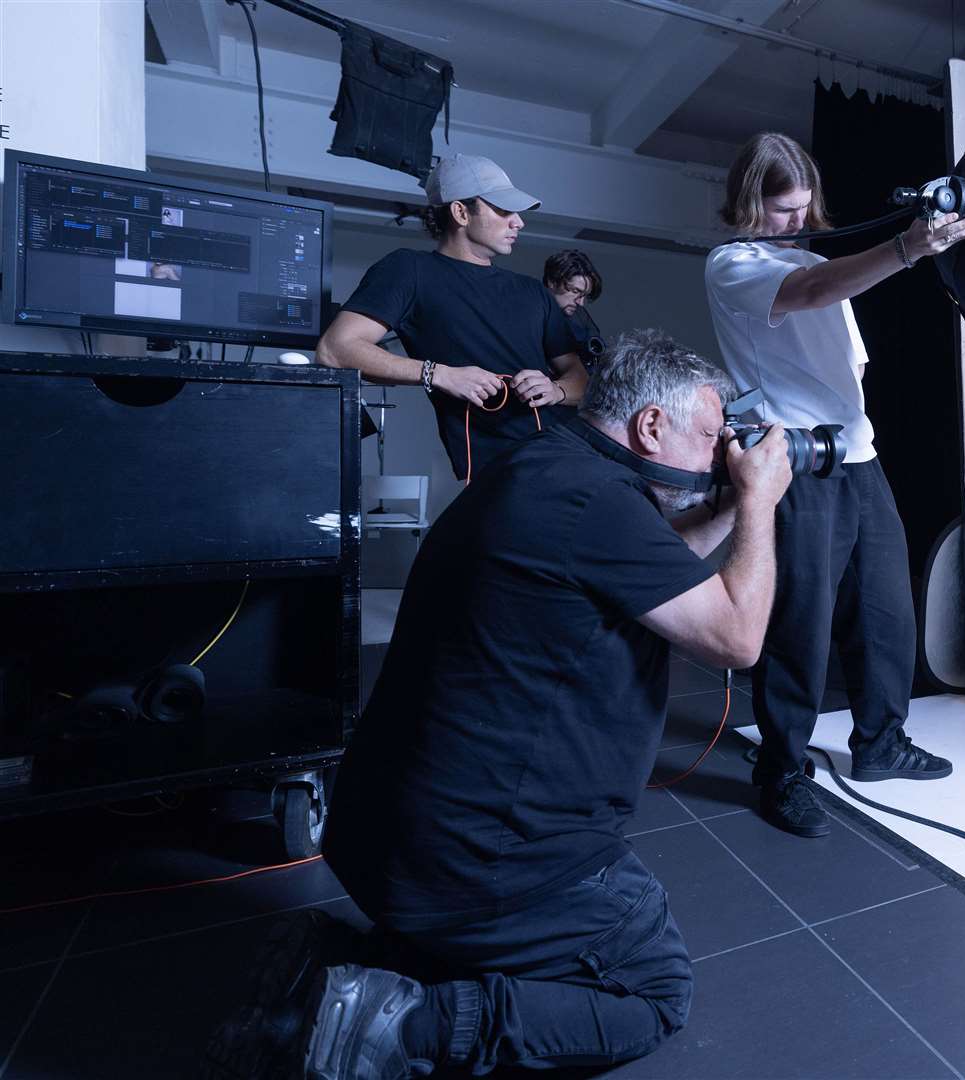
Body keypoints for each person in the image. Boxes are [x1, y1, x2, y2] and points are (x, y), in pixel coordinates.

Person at [204, 330, 793, 1078]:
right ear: (651, 426)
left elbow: (648, 561)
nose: (722, 455)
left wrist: (729, 505)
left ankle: (348, 966)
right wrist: (761, 504)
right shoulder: (598, 505)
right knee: (652, 993)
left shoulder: (551, 469)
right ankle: (400, 1026)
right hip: (474, 860)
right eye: (711, 437)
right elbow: (738, 637)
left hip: (381, 836)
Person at [703, 132, 965, 838]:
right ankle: (783, 768)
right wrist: (908, 249)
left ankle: (880, 743)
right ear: (746, 203)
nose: (793, 223)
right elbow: (810, 290)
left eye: (801, 209)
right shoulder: (732, 263)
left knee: (887, 611)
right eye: (779, 210)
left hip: (859, 456)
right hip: (794, 464)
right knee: (802, 621)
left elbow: (851, 362)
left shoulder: (819, 261)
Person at [317, 154, 585, 484]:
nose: (519, 222)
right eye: (503, 210)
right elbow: (336, 348)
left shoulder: (532, 292)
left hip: (567, 458)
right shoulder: (409, 271)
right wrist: (439, 374)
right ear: (460, 212)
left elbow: (580, 380)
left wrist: (555, 390)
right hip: (498, 475)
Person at [542, 249, 605, 362]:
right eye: (575, 291)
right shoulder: (528, 313)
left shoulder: (579, 320)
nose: (580, 303)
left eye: (584, 296)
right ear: (552, 282)